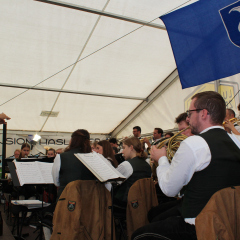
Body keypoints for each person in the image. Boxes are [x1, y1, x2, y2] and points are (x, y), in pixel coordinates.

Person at [132, 91, 240, 240]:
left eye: (190, 112)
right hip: (228, 222)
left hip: (199, 225)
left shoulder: (194, 143)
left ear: (203, 113)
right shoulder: (235, 140)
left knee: (137, 235)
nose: (188, 118)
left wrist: (162, 159)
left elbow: (169, 189)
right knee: (156, 217)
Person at [52, 129, 96, 199]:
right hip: (89, 199)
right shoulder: (95, 157)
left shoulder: (61, 157)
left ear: (72, 140)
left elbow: (56, 181)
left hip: (66, 198)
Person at [114, 137, 151, 207]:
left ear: (131, 147)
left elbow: (113, 181)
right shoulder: (148, 165)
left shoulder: (126, 165)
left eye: (124, 148)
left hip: (125, 203)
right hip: (143, 202)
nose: (122, 151)